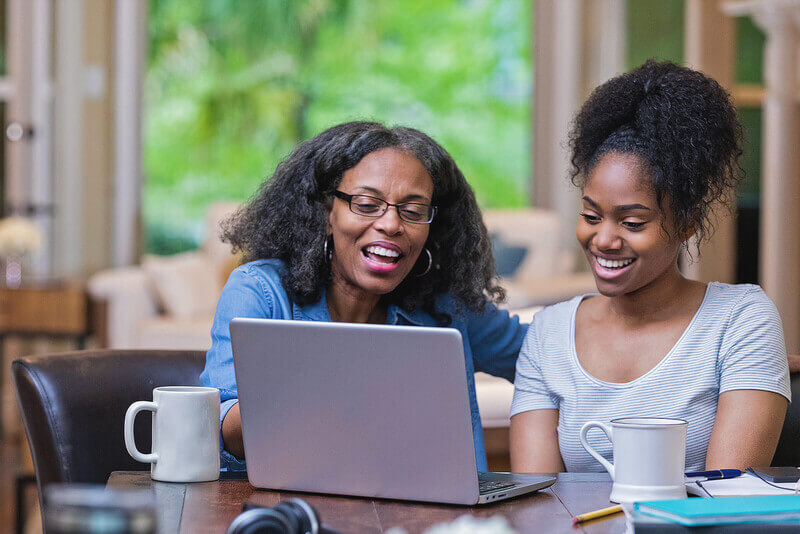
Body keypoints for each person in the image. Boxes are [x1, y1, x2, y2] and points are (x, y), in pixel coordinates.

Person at [509, 61, 791, 473]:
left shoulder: (741, 320)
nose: (603, 239)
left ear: (688, 223)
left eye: (633, 222)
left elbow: (726, 499)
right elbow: (536, 500)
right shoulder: (549, 335)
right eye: (591, 216)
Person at [200, 121, 527, 471]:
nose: (390, 224)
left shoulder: (447, 306)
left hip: (432, 517)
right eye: (367, 203)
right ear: (327, 213)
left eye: (413, 211)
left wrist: (590, 308)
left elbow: (541, 354)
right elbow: (221, 429)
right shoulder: (260, 292)